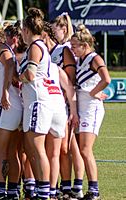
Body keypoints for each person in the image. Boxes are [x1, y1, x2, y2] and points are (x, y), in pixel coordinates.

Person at [42, 21, 85, 199]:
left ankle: (67, 186)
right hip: (49, 104)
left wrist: (69, 105)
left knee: (64, 149)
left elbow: (70, 80)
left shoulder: (63, 50)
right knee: (52, 149)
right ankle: (58, 185)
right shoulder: (43, 53)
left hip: (63, 104)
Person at [70, 24, 111, 200]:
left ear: (84, 45)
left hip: (91, 108)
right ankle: (84, 187)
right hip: (81, 107)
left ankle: (94, 190)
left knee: (86, 150)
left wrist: (94, 93)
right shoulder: (80, 59)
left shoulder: (94, 58)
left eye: (74, 46)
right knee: (80, 150)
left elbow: (106, 79)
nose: (72, 49)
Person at [19, 8, 52, 200]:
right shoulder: (38, 46)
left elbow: (30, 74)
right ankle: (41, 188)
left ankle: (44, 192)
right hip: (35, 101)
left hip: (38, 101)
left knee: (38, 149)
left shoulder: (35, 46)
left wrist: (17, 78)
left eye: (23, 30)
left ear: (27, 30)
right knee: (32, 148)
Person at [0, 25, 22, 200]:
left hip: (5, 105)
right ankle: (13, 190)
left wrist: (4, 92)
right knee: (12, 152)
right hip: (15, 106)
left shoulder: (0, 47)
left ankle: (0, 190)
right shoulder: (11, 52)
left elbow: (8, 64)